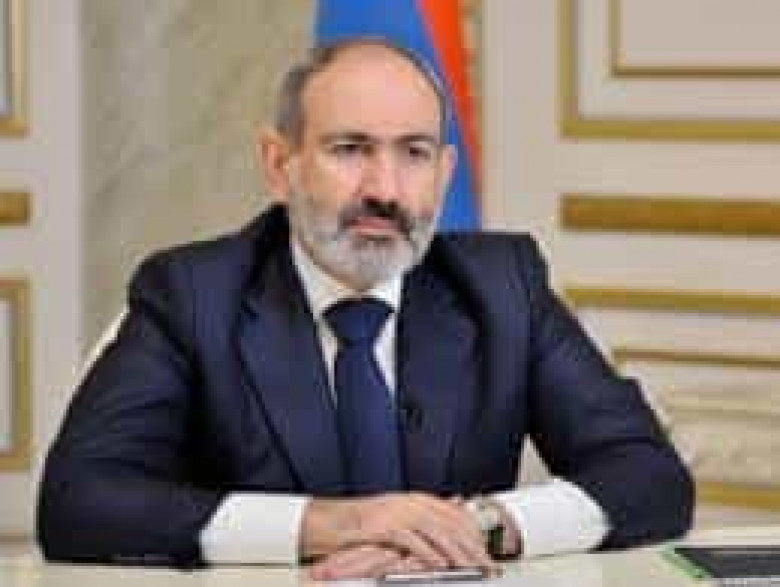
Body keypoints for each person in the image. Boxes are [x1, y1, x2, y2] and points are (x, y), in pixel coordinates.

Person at [37, 38, 693, 580]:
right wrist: (336, 524)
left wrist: (472, 528)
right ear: (280, 164)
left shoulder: (503, 287)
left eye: (414, 153)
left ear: (444, 172)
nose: (385, 189)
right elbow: (79, 501)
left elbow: (650, 475)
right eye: (350, 149)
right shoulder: (191, 294)